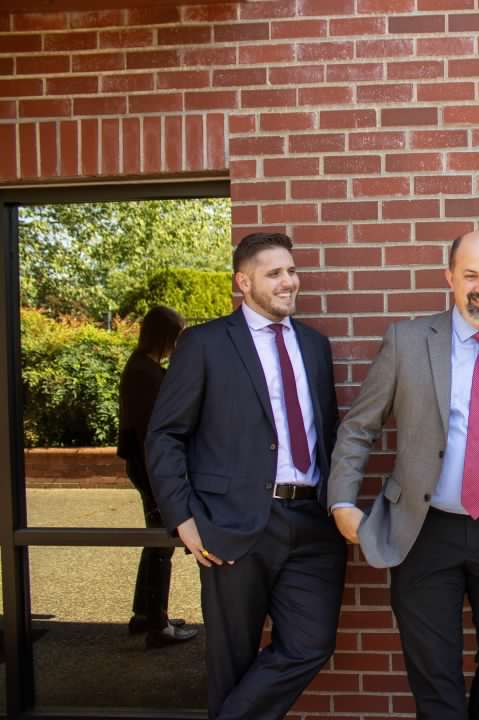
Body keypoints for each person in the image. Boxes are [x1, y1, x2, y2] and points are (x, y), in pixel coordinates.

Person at [327, 229, 479, 720]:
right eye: (470, 276)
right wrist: (341, 501)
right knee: (434, 675)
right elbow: (358, 428)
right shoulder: (407, 341)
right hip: (423, 530)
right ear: (450, 278)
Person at [146, 233, 345, 720]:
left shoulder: (316, 346)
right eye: (274, 273)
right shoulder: (206, 343)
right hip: (231, 526)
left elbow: (329, 433)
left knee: (310, 644)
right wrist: (184, 520)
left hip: (311, 523)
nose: (289, 281)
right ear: (243, 281)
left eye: (292, 271)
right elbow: (165, 435)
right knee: (231, 662)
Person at [117, 304, 197, 649]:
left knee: (154, 540)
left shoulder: (141, 368)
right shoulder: (145, 374)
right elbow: (155, 433)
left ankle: (145, 613)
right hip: (151, 469)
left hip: (145, 466)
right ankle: (157, 625)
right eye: (176, 335)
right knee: (162, 543)